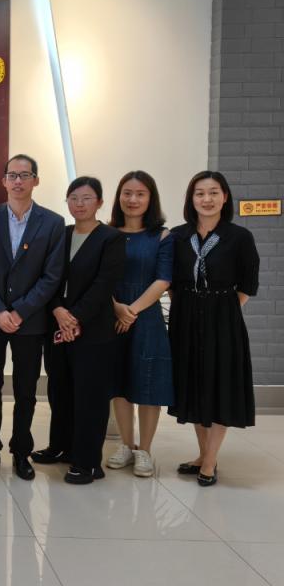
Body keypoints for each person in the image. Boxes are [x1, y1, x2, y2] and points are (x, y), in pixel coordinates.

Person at [0, 154, 65, 481]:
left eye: (25, 175)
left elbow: (52, 276)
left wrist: (20, 310)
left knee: (26, 390)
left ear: (36, 180)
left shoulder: (52, 222)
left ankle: (21, 450)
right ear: (3, 181)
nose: (18, 181)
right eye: (12, 175)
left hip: (31, 321)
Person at [168, 171, 259, 487]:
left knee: (221, 385)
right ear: (191, 199)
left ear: (225, 197)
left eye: (213, 192)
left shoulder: (239, 237)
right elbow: (171, 282)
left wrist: (223, 309)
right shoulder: (178, 236)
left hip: (223, 320)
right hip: (185, 318)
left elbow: (248, 284)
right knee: (194, 384)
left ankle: (210, 460)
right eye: (199, 193)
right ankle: (203, 453)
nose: (206, 199)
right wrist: (190, 306)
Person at [34, 177, 125, 484]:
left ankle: (87, 462)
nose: (80, 204)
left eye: (87, 198)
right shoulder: (61, 234)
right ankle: (61, 447)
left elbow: (104, 284)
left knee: (90, 396)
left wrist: (74, 318)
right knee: (59, 390)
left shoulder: (111, 238)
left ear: (100, 202)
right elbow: (48, 277)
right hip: (58, 325)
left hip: (94, 329)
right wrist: (58, 311)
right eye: (73, 198)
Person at [105, 170, 174, 478]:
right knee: (119, 384)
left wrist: (130, 311)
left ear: (150, 198)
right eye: (127, 193)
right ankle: (126, 444)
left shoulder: (162, 236)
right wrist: (116, 307)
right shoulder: (107, 233)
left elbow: (163, 279)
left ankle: (144, 450)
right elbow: (98, 278)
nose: (132, 199)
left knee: (148, 382)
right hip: (112, 315)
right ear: (119, 197)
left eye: (140, 194)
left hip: (146, 318)